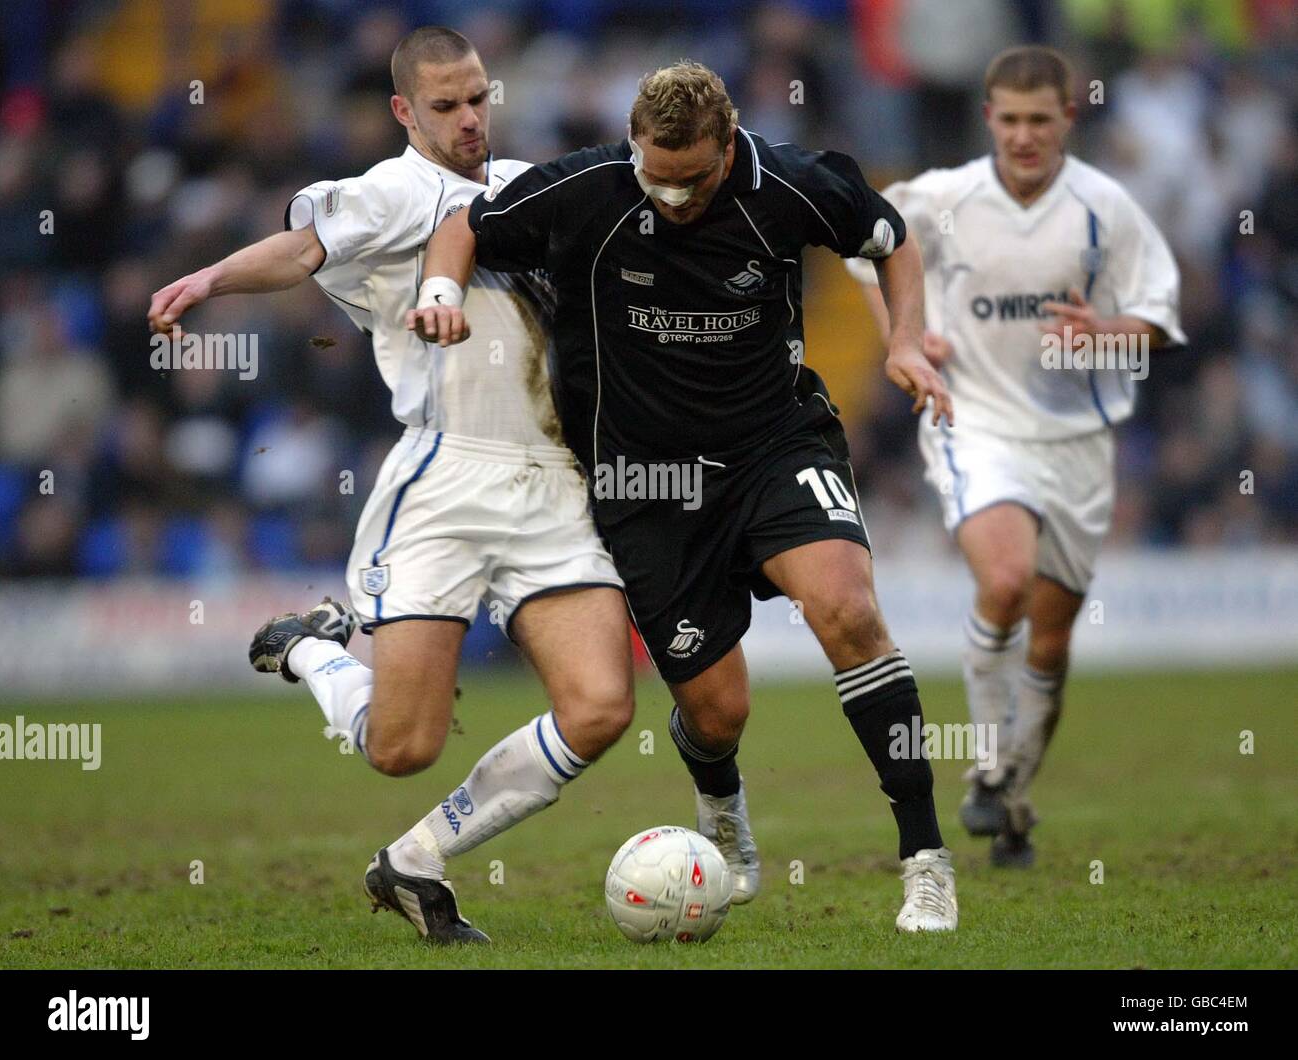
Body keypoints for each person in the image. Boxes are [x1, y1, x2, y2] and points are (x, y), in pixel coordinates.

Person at [410, 61, 960, 931]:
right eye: (653, 178)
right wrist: (442, 292)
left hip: (772, 445)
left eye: (691, 181)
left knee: (847, 611)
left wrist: (907, 343)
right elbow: (461, 227)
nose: (669, 199)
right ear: (633, 148)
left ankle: (925, 859)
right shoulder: (586, 190)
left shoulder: (789, 185)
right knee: (717, 709)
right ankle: (722, 804)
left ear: (729, 145)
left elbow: (890, 239)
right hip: (643, 484)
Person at [146, 26, 634, 943]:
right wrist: (208, 278)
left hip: (552, 482)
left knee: (602, 708)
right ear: (406, 111)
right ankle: (312, 651)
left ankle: (415, 859)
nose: (469, 121)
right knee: (400, 748)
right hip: (444, 480)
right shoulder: (394, 191)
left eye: (479, 99)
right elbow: (300, 252)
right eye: (445, 107)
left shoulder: (533, 188)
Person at [850, 46, 1185, 867]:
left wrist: (1105, 333)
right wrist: (904, 331)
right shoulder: (945, 195)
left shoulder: (1106, 208)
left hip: (1076, 444)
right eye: (1011, 119)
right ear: (989, 117)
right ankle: (988, 769)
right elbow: (864, 245)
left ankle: (1013, 797)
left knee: (1050, 643)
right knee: (1003, 581)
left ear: (1069, 117)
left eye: (1042, 120)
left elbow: (1159, 319)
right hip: (977, 423)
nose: (1025, 135)